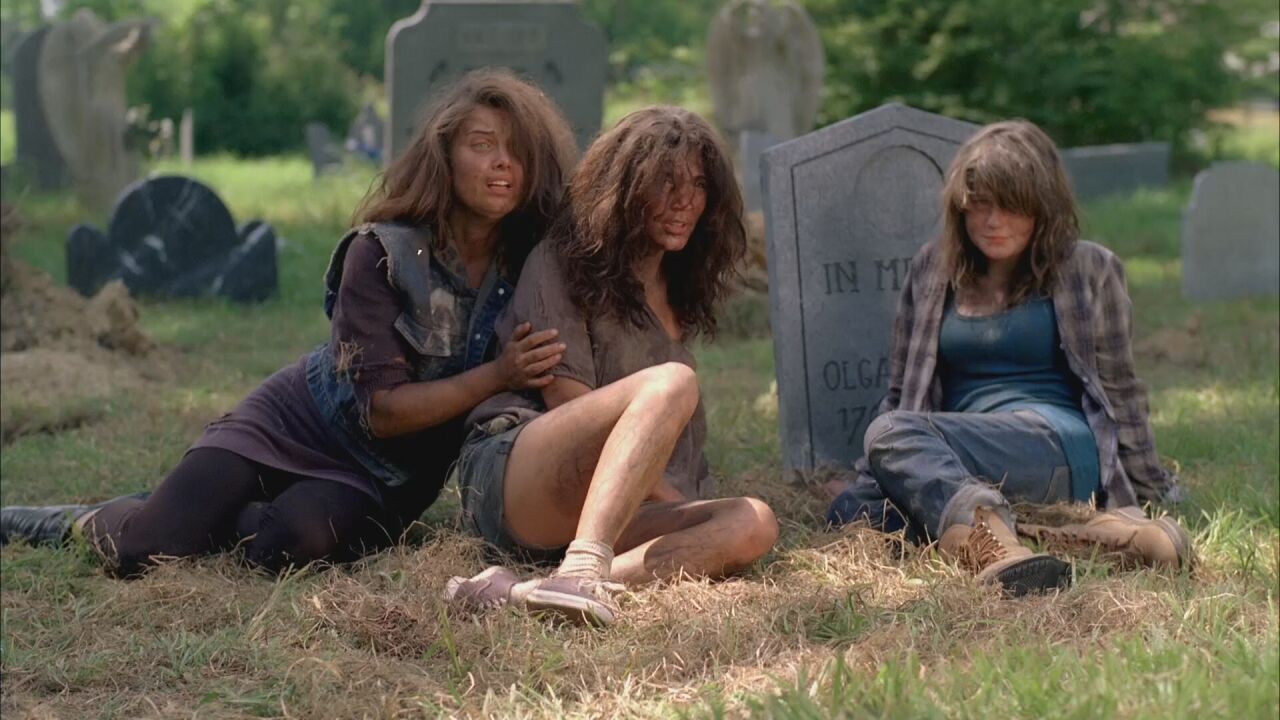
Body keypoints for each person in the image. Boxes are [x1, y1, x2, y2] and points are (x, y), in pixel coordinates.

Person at [0, 70, 578, 577]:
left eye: (517, 151)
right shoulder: (381, 253)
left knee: (288, 544)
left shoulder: (533, 267)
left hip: (385, 479)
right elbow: (381, 412)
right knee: (145, 551)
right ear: (444, 155)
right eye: (482, 144)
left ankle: (199, 510)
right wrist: (498, 375)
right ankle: (73, 521)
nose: (503, 163)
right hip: (296, 423)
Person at [444, 107, 779, 626]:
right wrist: (674, 503)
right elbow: (566, 399)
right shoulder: (561, 260)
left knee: (754, 521)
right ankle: (582, 569)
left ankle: (527, 592)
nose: (685, 200)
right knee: (672, 383)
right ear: (625, 187)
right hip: (518, 475)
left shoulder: (678, 286)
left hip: (612, 504)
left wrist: (681, 510)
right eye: (666, 182)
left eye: (697, 184)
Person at [825, 120, 1190, 595]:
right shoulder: (933, 268)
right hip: (959, 455)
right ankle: (1100, 539)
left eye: (1011, 203)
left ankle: (995, 548)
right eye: (979, 204)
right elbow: (903, 389)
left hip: (1054, 444)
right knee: (851, 511)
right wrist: (873, 472)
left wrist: (1149, 486)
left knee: (892, 430)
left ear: (1043, 206)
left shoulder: (1089, 268)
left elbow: (1121, 389)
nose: (993, 220)